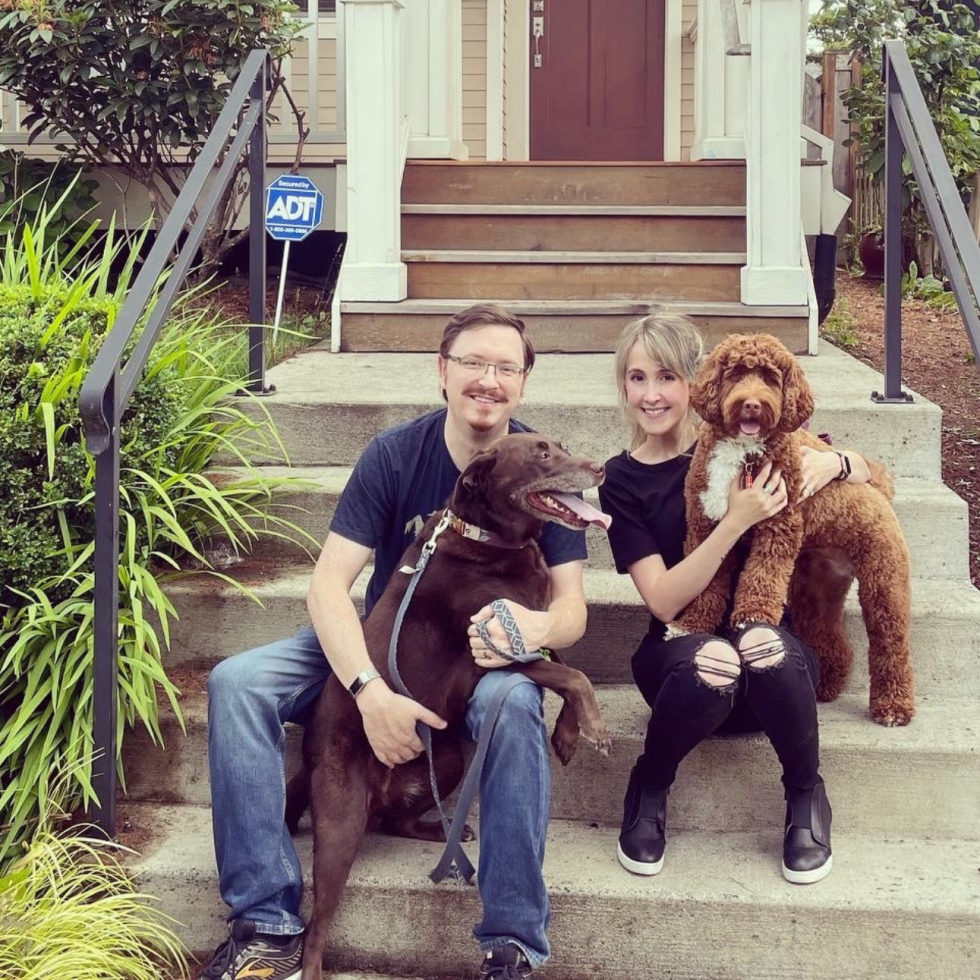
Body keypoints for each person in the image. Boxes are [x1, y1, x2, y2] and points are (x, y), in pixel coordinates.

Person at [203, 304, 589, 980]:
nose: (488, 380)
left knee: (518, 706)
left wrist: (540, 629)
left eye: (505, 367)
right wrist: (368, 690)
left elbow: (574, 608)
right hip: (377, 641)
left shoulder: (539, 467)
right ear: (442, 372)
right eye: (473, 362)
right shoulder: (395, 454)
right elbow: (328, 589)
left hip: (474, 657)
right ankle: (267, 921)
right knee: (236, 683)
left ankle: (512, 942)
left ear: (523, 382)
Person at [597, 313, 872, 885]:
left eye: (668, 376)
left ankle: (805, 796)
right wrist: (735, 519)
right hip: (683, 666)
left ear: (699, 383)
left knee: (761, 645)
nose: (652, 394)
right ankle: (650, 783)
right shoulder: (621, 482)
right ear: (623, 387)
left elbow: (869, 475)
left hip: (773, 668)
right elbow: (663, 601)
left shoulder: (757, 434)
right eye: (638, 378)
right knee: (717, 657)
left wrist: (841, 462)